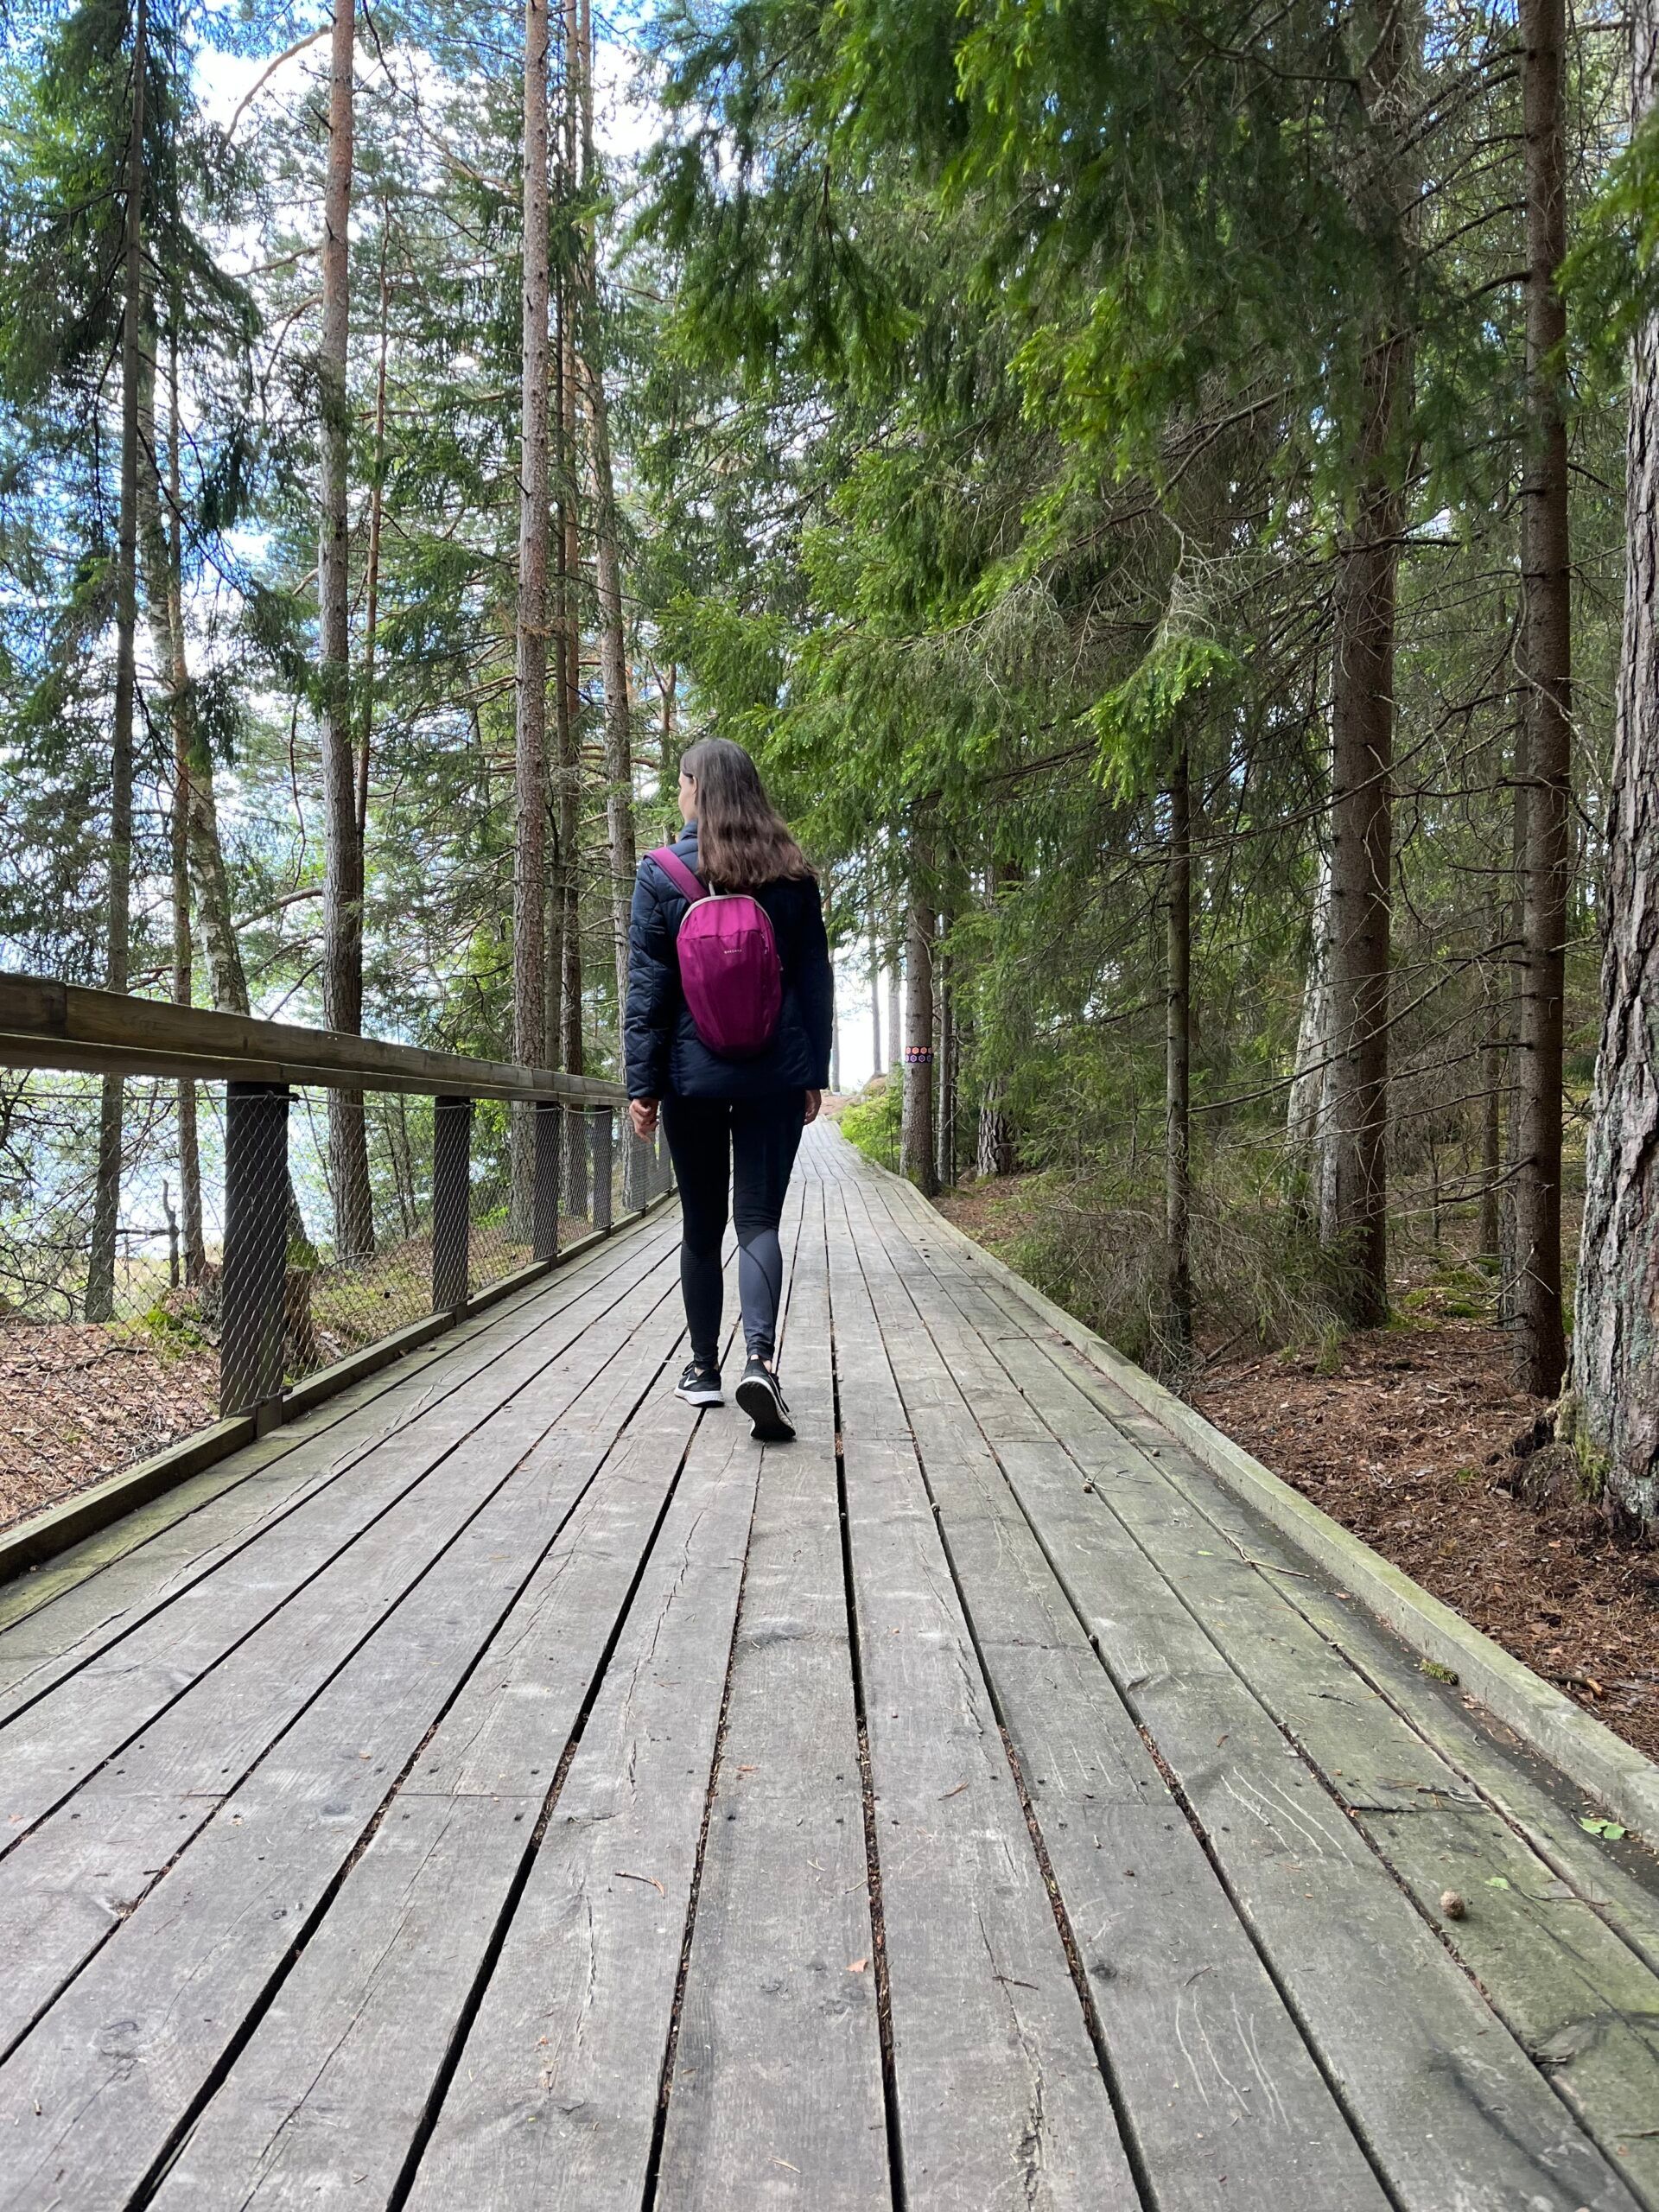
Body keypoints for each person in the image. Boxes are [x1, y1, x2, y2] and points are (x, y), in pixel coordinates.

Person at [625, 737, 832, 1440]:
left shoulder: (661, 875)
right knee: (759, 1224)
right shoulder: (794, 876)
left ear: (694, 790)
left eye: (681, 785)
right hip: (775, 1074)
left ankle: (703, 1370)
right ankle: (761, 1361)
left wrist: (643, 1087)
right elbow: (813, 983)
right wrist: (813, 1072)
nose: (678, 796)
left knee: (701, 1224)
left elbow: (648, 995)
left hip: (693, 1080)